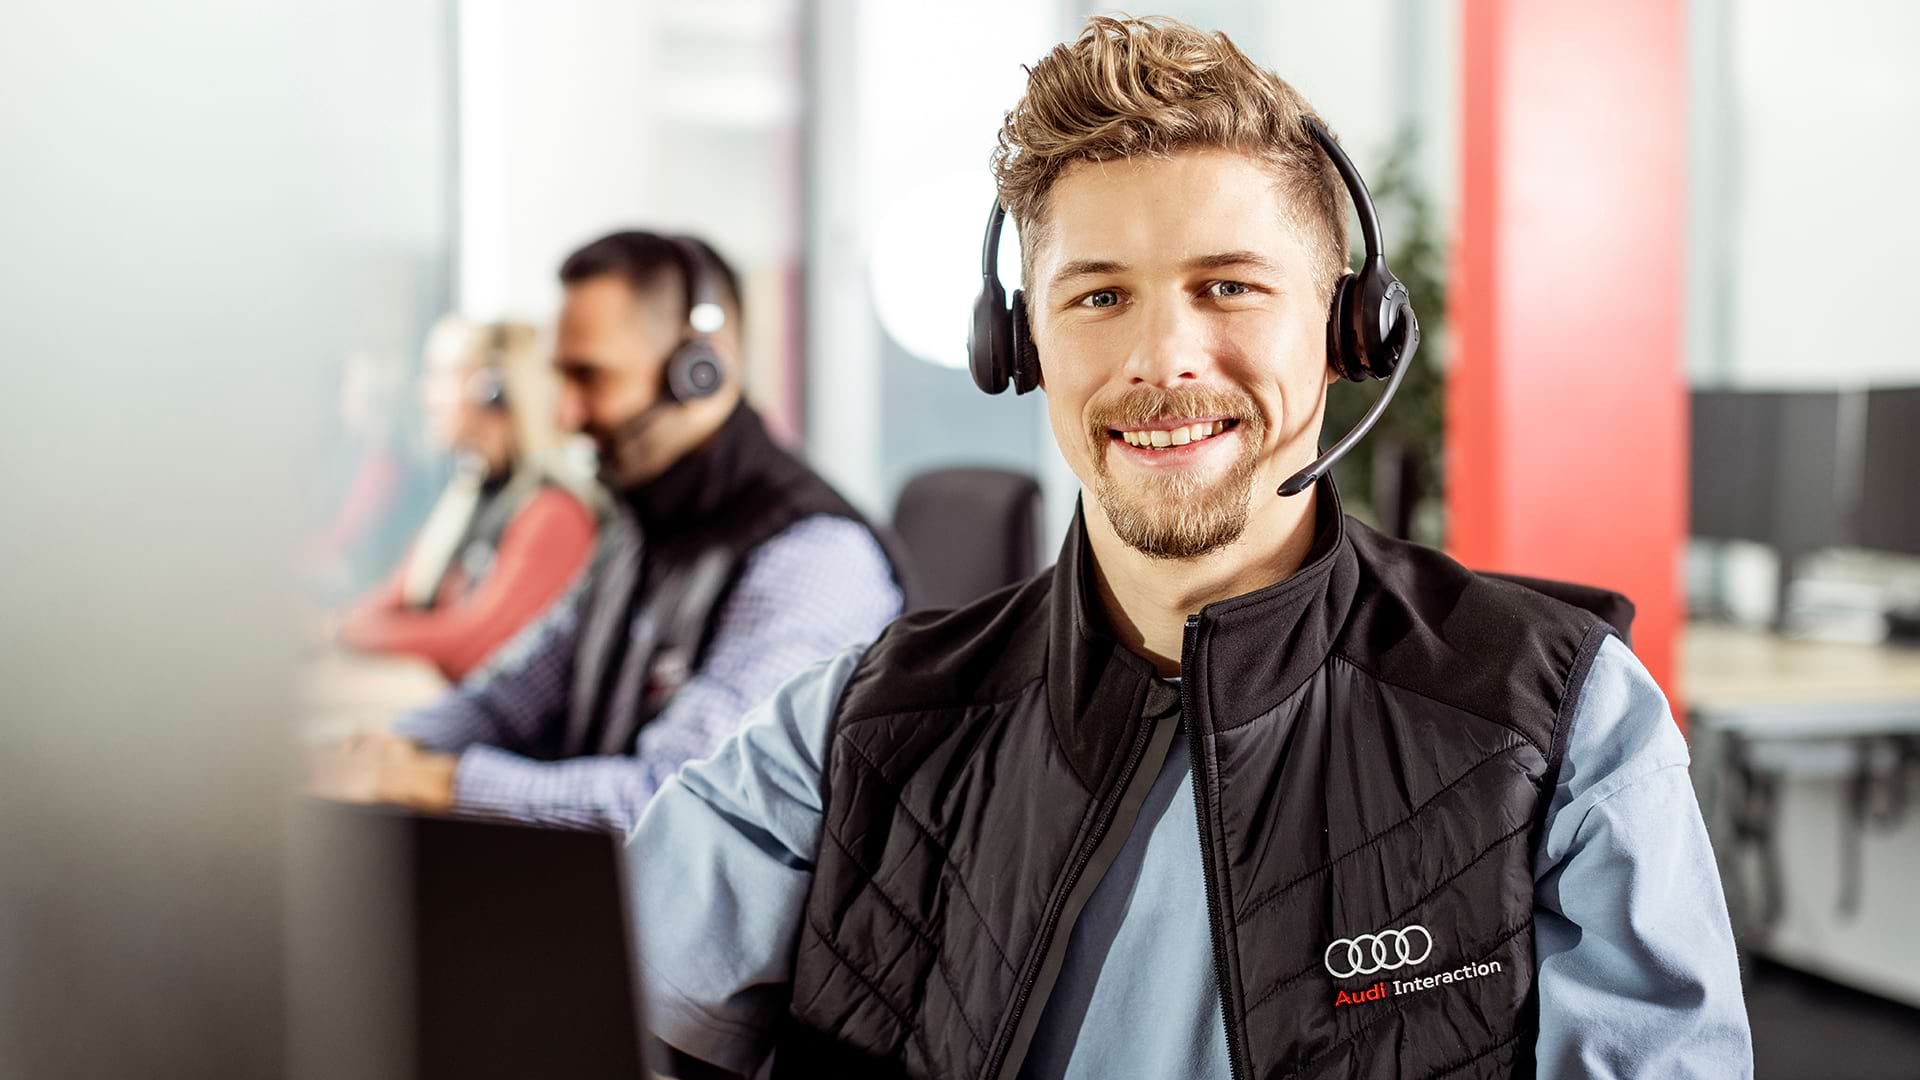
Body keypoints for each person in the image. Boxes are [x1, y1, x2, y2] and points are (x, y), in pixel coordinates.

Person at [628, 16, 1752, 1079]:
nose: (1163, 358)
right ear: (1021, 350)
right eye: (1100, 295)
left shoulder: (1560, 721)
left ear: (1346, 330)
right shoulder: (852, 729)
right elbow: (566, 1009)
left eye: (1228, 287)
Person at [316, 232, 905, 833]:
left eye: (589, 377)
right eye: (559, 378)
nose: (565, 414)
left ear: (700, 371)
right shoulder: (641, 525)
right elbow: (511, 696)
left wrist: (431, 782)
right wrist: (369, 756)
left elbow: (675, 798)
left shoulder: (810, 558)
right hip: (597, 893)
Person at [335, 317, 597, 681]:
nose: (425, 394)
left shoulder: (553, 512)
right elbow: (393, 595)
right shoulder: (467, 494)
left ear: (492, 390)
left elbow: (475, 645)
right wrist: (353, 625)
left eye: (441, 375)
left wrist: (357, 631)